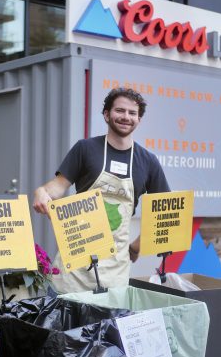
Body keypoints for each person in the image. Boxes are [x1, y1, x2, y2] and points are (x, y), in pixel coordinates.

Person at [33, 88, 170, 293]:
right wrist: (42, 192)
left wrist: (137, 245)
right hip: (75, 264)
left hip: (115, 270)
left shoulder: (148, 161)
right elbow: (57, 186)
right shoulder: (85, 149)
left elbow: (164, 212)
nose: (126, 117)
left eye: (132, 113)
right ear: (106, 115)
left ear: (139, 120)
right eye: (120, 111)